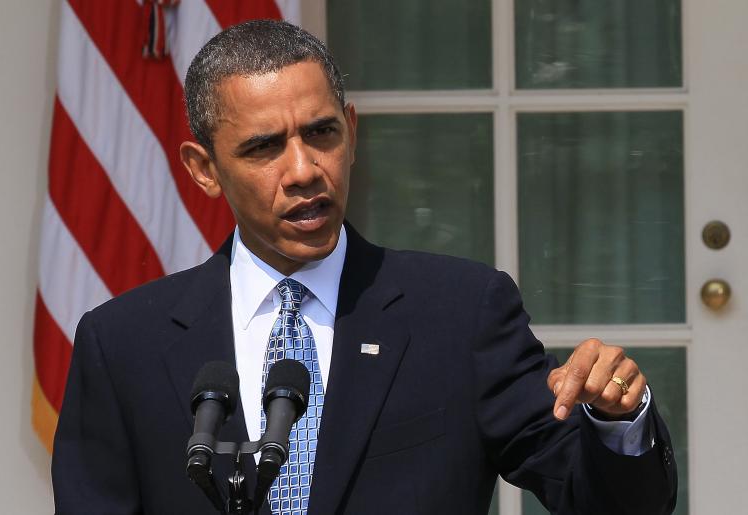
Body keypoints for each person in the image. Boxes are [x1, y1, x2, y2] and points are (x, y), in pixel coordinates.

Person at [52, 19, 677, 515]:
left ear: (350, 132)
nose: (303, 170)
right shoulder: (122, 344)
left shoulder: (460, 313)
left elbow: (609, 500)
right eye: (265, 147)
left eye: (321, 133)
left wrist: (618, 420)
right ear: (204, 169)